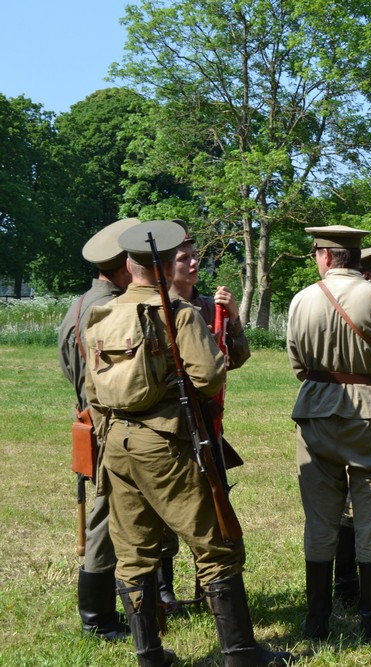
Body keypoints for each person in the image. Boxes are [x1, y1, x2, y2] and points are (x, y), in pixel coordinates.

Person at [86, 220, 291, 666]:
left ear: (131, 264)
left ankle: (150, 655)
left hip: (117, 443)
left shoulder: (103, 313)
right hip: (166, 442)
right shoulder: (176, 312)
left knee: (134, 552)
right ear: (161, 267)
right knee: (217, 544)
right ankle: (241, 653)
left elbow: (92, 389)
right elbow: (209, 374)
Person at [287, 225, 371, 642]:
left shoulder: (301, 299)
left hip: (316, 415)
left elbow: (297, 363)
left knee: (320, 521)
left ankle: (318, 620)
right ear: (353, 256)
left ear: (325, 256)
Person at [157, 222, 251, 611]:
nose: (194, 264)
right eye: (184, 258)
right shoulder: (157, 306)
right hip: (172, 425)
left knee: (214, 505)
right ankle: (162, 590)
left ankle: (208, 589)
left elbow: (238, 358)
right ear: (166, 265)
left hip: (210, 423)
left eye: (195, 257)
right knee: (166, 511)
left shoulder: (211, 306)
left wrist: (233, 316)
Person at [58, 216, 139, 642]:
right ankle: (98, 617)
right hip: (111, 422)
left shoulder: (78, 305)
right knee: (106, 515)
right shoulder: (110, 310)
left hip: (92, 418)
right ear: (127, 263)